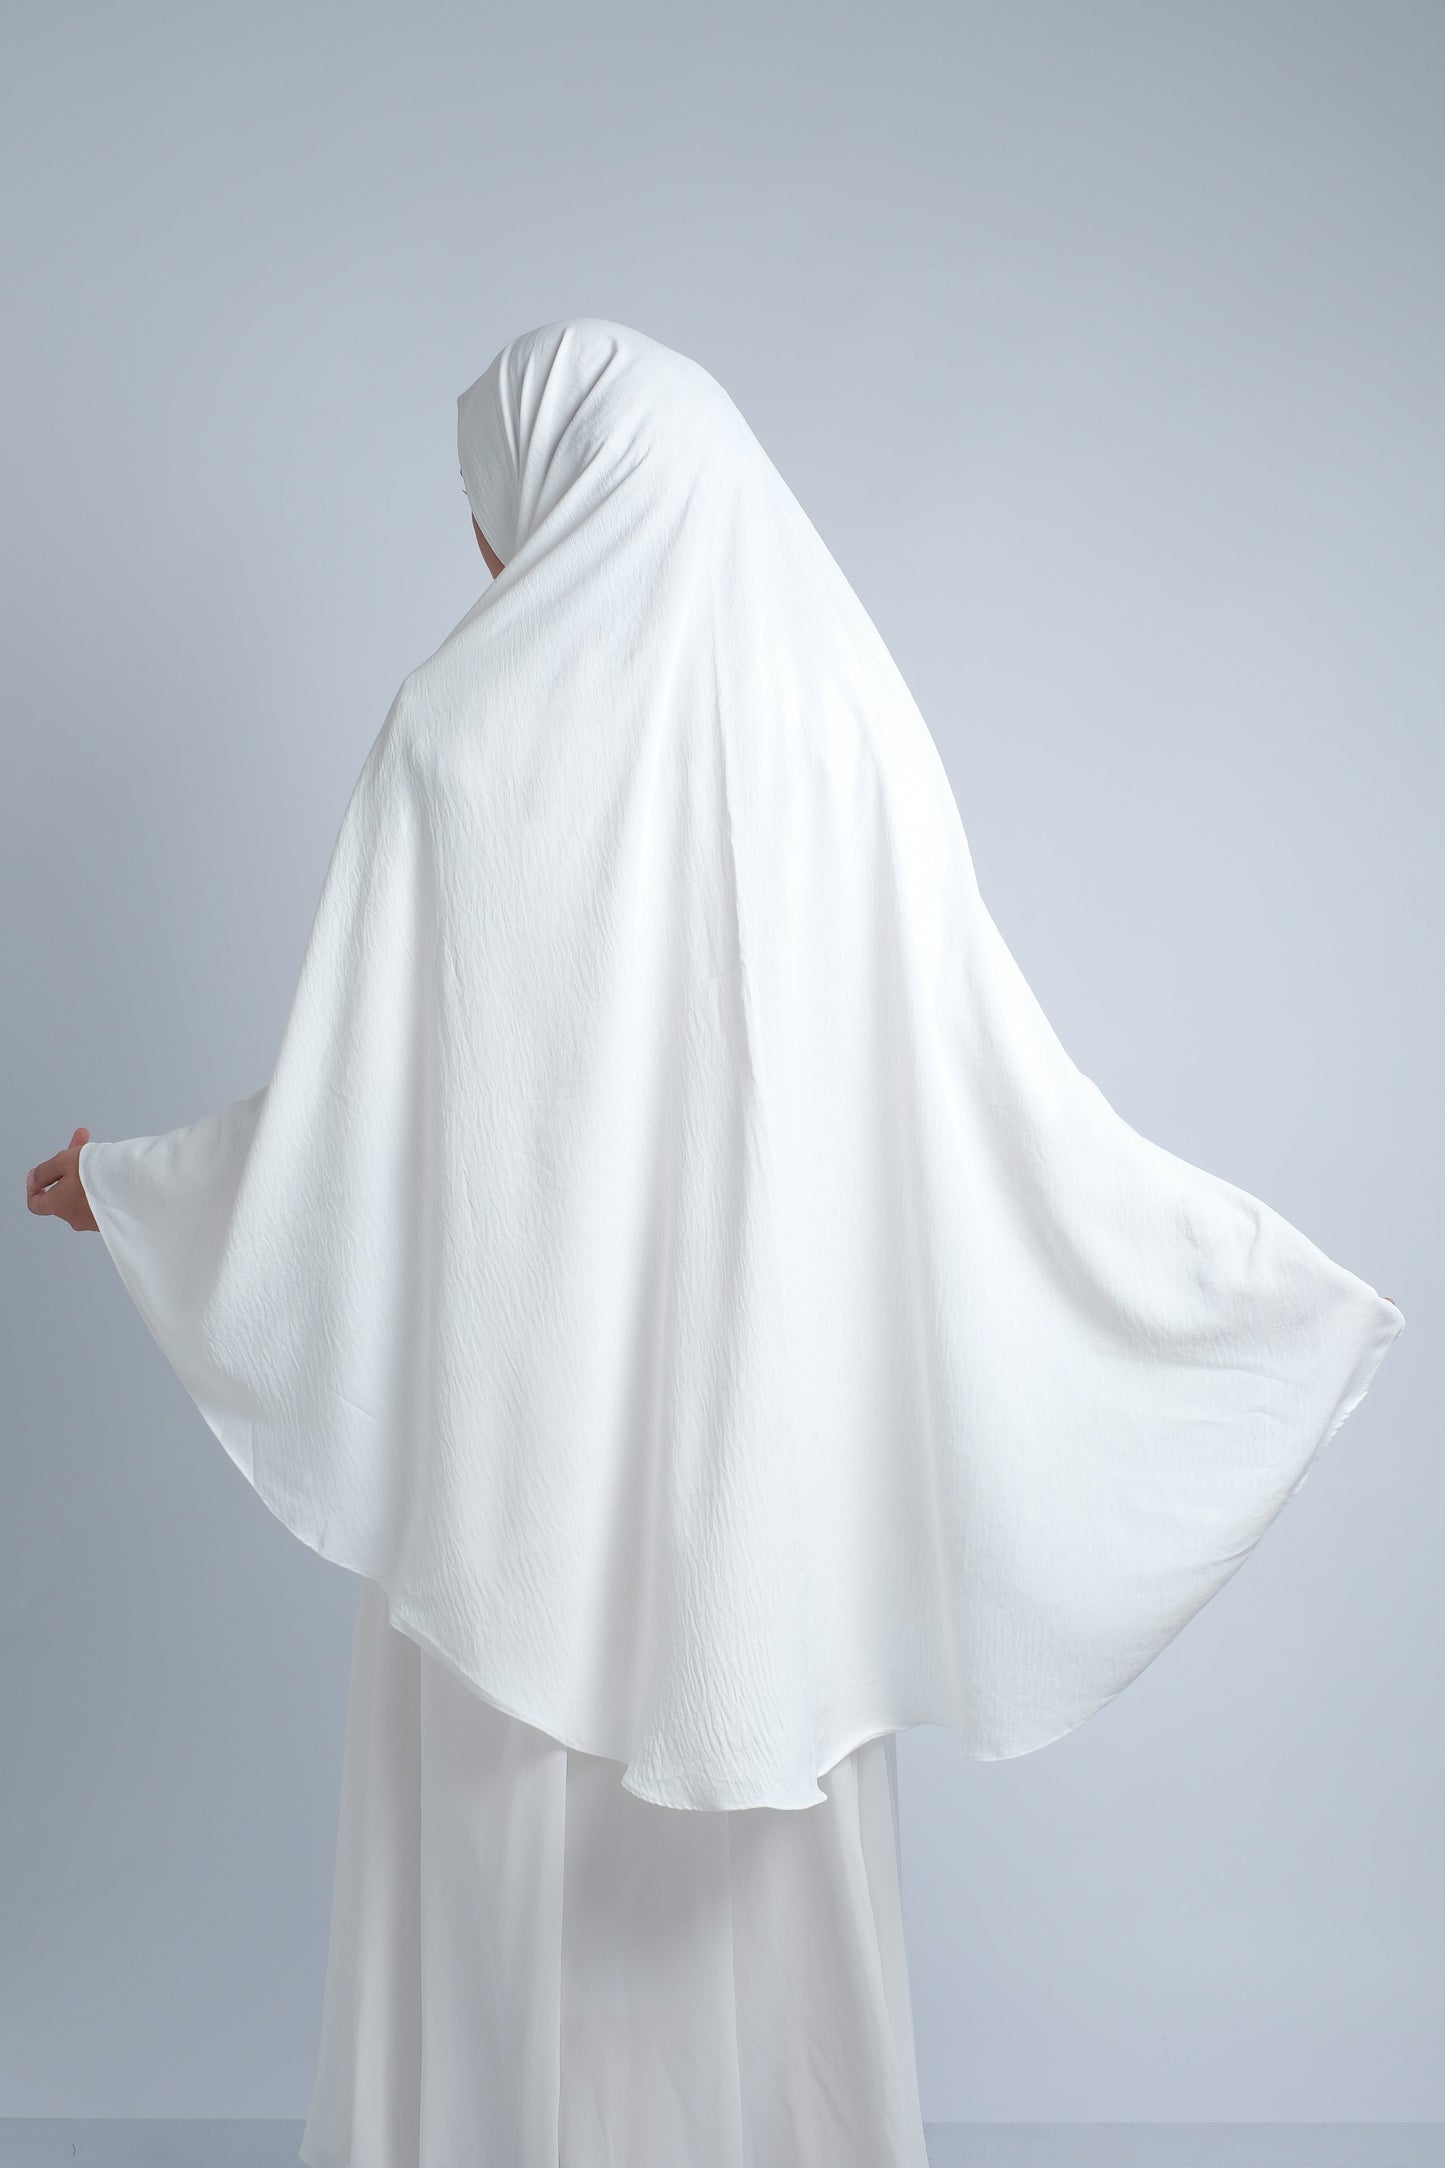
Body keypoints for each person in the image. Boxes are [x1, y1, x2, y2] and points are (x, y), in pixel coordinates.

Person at [26, 317, 1403, 2167]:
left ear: (557, 479)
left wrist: (142, 1188)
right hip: (769, 1494)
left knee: (502, 1843)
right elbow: (972, 1085)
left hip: (511, 1479)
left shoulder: (460, 733)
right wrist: (1215, 1289)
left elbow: (367, 1124)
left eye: (488, 503)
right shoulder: (849, 728)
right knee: (761, 1858)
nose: (487, 550)